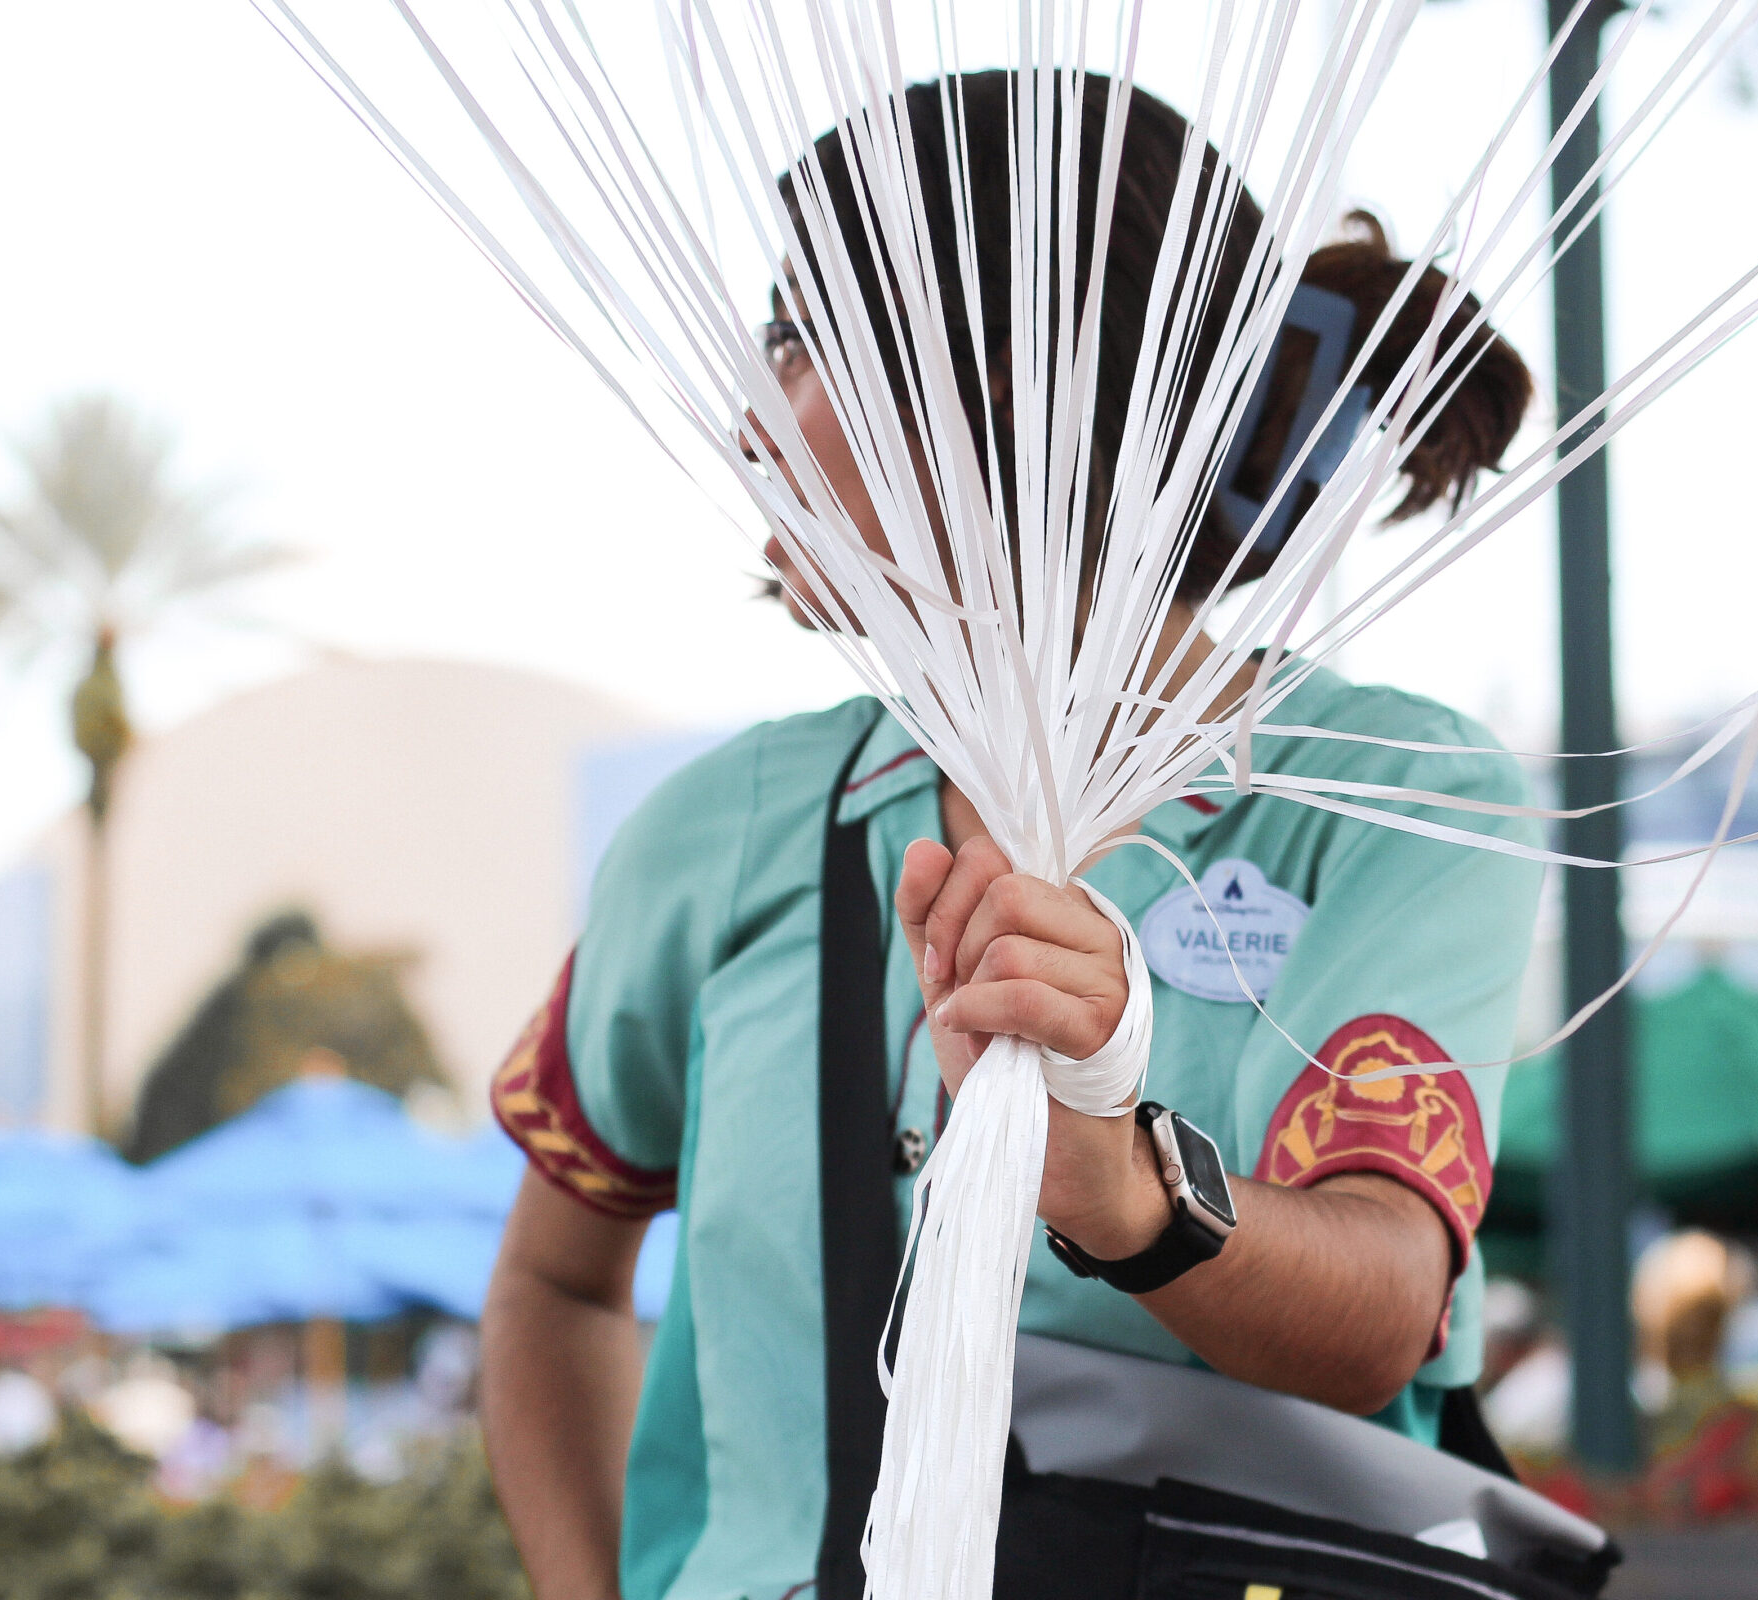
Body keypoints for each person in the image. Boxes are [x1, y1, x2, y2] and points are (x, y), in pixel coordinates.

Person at [482, 71, 1554, 1600]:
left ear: (1022, 380)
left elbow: (1386, 1303)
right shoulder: (717, 836)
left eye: (806, 341)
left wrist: (1121, 1187)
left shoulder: (1388, 799)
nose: (749, 422)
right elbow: (551, 1281)